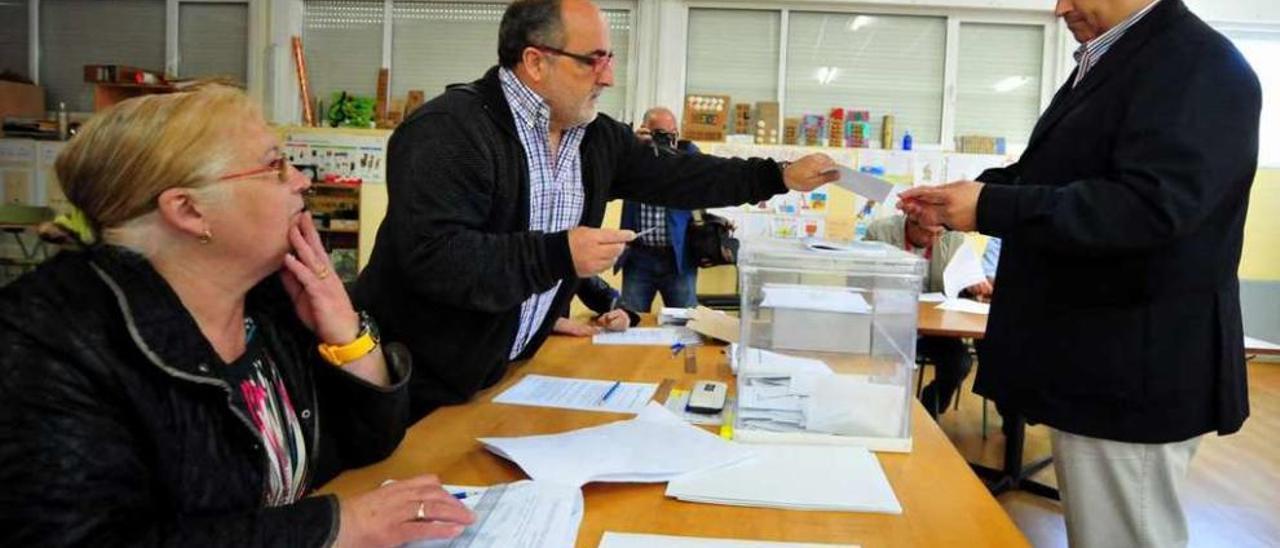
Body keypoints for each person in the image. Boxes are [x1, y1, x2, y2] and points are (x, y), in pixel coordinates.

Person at [0, 85, 474, 546]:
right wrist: (334, 528)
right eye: (274, 166)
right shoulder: (48, 342)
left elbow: (371, 444)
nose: (301, 180)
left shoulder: (269, 299)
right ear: (187, 209)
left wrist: (346, 332)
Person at [354, 0, 837, 419]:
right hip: (407, 390)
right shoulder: (447, 132)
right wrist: (556, 257)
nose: (608, 76)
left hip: (495, 381)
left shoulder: (595, 137)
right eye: (593, 60)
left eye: (610, 58)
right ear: (535, 62)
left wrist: (778, 176)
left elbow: (681, 176)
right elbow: (437, 259)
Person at [898, 0, 1260, 545]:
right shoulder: (1120, 59)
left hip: (1134, 368)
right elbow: (1054, 175)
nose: (1061, 6)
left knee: (1122, 535)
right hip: (1096, 359)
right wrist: (965, 199)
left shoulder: (1195, 64)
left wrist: (990, 206)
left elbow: (1149, 208)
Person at [864, 214, 990, 417]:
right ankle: (884, 412)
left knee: (959, 363)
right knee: (888, 365)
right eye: (926, 233)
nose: (932, 239)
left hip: (935, 327)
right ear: (910, 222)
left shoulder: (953, 238)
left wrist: (971, 287)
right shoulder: (879, 232)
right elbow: (865, 281)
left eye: (938, 234)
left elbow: (959, 282)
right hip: (890, 324)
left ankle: (932, 401)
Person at [617, 106, 700, 311]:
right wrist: (632, 147)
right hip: (639, 258)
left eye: (672, 134)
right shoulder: (632, 155)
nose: (666, 139)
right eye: (660, 134)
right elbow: (611, 175)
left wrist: (677, 152)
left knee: (685, 322)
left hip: (678, 257)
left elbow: (700, 174)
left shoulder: (687, 156)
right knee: (630, 319)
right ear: (646, 130)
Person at [552, 275, 638, 336]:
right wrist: (553, 323)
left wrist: (622, 313)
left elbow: (603, 295)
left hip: (558, 344)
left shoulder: (573, 262)